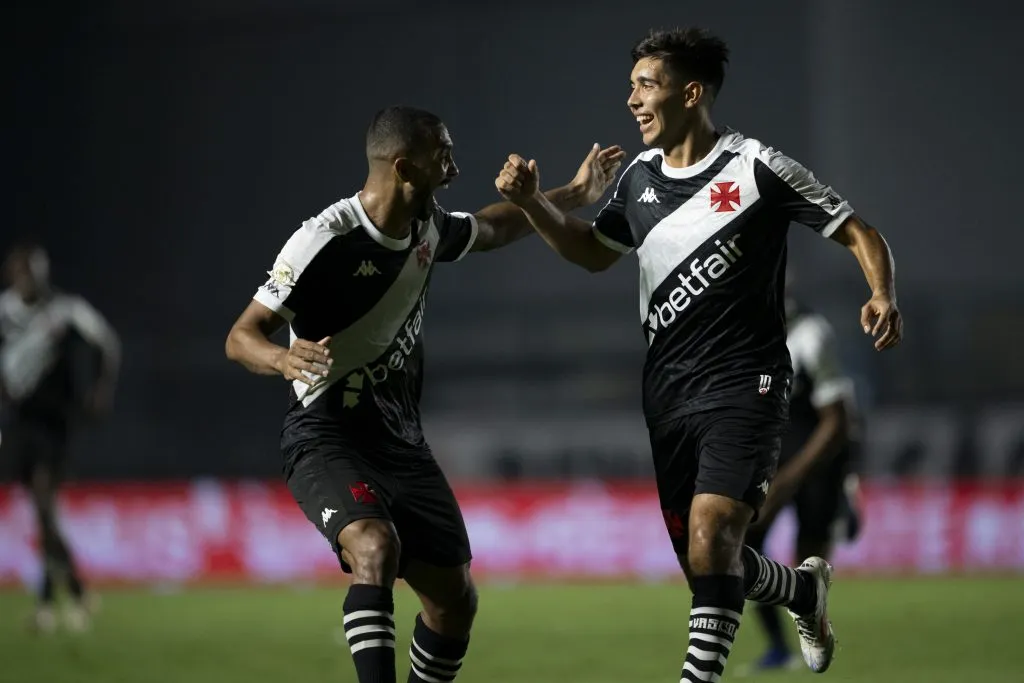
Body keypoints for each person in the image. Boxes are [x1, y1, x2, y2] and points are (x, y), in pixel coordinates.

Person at [494, 27, 902, 681]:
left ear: (691, 92)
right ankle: (802, 591)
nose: (631, 99)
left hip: (749, 380)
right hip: (668, 393)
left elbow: (858, 229)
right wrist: (533, 205)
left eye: (645, 85)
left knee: (715, 536)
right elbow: (593, 253)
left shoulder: (757, 168)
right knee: (710, 562)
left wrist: (880, 290)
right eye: (630, 86)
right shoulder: (637, 179)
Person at [225, 105, 624, 683]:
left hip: (401, 440)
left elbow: (494, 227)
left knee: (455, 601)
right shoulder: (323, 239)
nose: (455, 167)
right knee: (374, 548)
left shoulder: (428, 228)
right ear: (405, 168)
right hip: (327, 432)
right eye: (444, 155)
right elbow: (240, 337)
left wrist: (571, 193)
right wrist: (282, 358)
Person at [741, 290, 865, 674]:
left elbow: (838, 421)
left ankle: (810, 623)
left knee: (808, 560)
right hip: (775, 463)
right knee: (742, 550)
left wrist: (789, 479)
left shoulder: (811, 335)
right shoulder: (749, 341)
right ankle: (779, 648)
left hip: (818, 465)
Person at [0, 240, 121, 633]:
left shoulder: (65, 309)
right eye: (24, 271)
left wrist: (99, 391)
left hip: (56, 424)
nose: (31, 278)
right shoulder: (5, 312)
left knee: (42, 504)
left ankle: (53, 603)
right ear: (14, 275)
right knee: (42, 514)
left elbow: (108, 344)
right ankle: (72, 592)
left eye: (36, 270)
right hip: (19, 423)